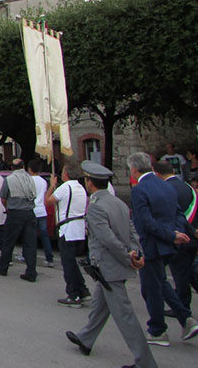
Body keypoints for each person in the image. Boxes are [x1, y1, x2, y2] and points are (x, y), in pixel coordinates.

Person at [65, 160, 157, 368]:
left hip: (109, 267)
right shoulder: (118, 203)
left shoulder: (96, 207)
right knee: (100, 305)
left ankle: (145, 362)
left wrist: (128, 257)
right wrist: (136, 252)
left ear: (90, 183)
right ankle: (86, 339)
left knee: (125, 317)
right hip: (113, 267)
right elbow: (132, 231)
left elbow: (107, 240)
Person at [127, 152, 198, 345]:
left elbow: (145, 222)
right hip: (167, 244)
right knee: (159, 284)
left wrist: (171, 234)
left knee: (152, 289)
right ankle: (186, 319)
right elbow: (178, 213)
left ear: (133, 170)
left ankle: (158, 330)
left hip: (151, 245)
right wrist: (175, 233)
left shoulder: (140, 190)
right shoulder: (165, 186)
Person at [152, 160, 198, 311]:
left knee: (180, 274)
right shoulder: (187, 186)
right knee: (188, 272)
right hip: (192, 235)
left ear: (157, 173)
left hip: (178, 236)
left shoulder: (165, 189)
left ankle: (182, 306)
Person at [45, 159, 90, 307]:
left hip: (68, 229)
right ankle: (82, 290)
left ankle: (73, 294)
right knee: (72, 262)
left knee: (68, 263)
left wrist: (52, 186)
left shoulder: (66, 187)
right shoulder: (81, 188)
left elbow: (48, 201)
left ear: (66, 174)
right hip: (78, 228)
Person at [0, 158, 37, 282]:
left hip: (15, 213)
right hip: (30, 212)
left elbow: (3, 197)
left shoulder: (9, 179)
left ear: (12, 167)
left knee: (9, 241)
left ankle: (3, 266)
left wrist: (8, 207)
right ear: (23, 166)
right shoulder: (30, 178)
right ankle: (31, 272)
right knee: (30, 244)